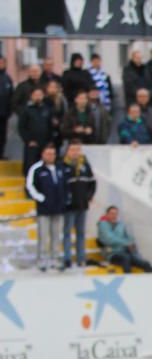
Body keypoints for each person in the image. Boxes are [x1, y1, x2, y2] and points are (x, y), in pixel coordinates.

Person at [26, 144, 67, 272]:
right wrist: (41, 198)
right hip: (44, 208)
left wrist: (65, 199)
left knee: (56, 235)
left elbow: (65, 185)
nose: (51, 156)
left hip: (58, 208)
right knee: (43, 235)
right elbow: (30, 186)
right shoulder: (37, 169)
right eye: (48, 154)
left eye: (53, 154)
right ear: (43, 155)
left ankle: (55, 258)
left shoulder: (60, 167)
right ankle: (42, 259)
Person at [61, 140, 95, 269]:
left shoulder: (85, 165)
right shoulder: (63, 165)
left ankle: (81, 258)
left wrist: (89, 197)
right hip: (69, 206)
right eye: (72, 150)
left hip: (82, 204)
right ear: (68, 151)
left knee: (81, 232)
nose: (75, 152)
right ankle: (67, 258)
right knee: (67, 232)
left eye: (77, 149)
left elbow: (92, 182)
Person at [97, 206, 152, 273]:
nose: (114, 216)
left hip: (124, 252)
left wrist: (131, 243)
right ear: (107, 214)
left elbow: (129, 237)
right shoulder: (103, 224)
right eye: (112, 213)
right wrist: (126, 243)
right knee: (126, 258)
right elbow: (110, 239)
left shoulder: (120, 224)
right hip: (111, 254)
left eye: (116, 214)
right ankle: (129, 280)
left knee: (145, 264)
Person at [19, 87, 52, 174]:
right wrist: (28, 140)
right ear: (32, 96)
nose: (38, 97)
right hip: (32, 143)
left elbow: (50, 126)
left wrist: (49, 141)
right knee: (30, 166)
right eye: (35, 95)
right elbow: (21, 127)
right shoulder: (27, 110)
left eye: (40, 95)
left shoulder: (47, 109)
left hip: (45, 143)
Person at [0, 57, 14, 158]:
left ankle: (1, 154)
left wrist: (9, 110)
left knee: (2, 136)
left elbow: (11, 96)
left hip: (3, 114)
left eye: (2, 63)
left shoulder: (7, 78)